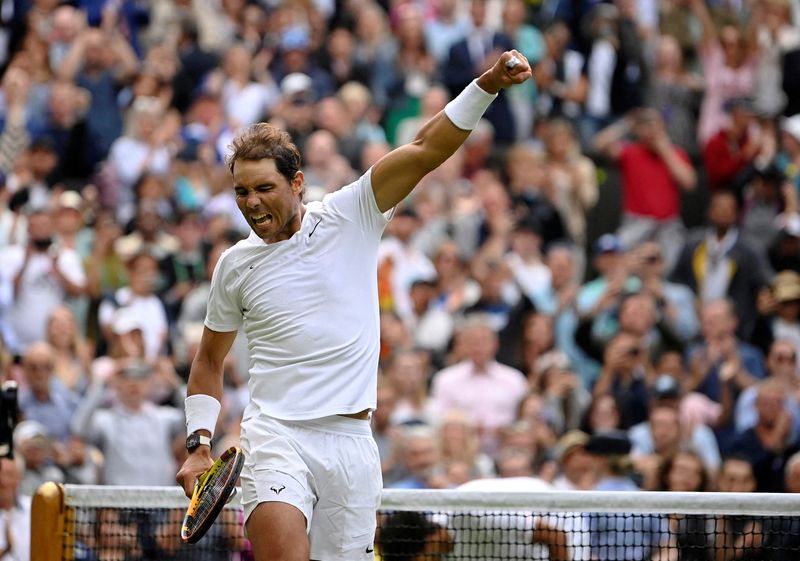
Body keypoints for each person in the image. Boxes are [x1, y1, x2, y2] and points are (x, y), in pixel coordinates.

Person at [175, 51, 532, 561]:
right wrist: (199, 445)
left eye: (264, 188)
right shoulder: (235, 265)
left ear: (296, 183)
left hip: (352, 443)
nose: (251, 203)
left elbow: (426, 149)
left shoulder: (353, 213)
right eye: (241, 192)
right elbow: (208, 361)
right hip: (274, 438)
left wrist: (489, 83)